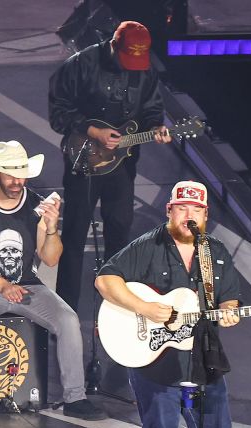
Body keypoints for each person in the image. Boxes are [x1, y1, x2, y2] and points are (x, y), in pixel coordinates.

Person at [95, 181, 250, 428]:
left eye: (196, 210)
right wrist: (144, 307)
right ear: (169, 211)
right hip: (157, 365)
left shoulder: (217, 253)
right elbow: (106, 281)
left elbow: (229, 299)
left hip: (205, 362)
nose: (189, 216)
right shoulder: (149, 246)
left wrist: (229, 312)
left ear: (206, 215)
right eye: (182, 209)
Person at [0, 140, 106, 422]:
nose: (17, 181)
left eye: (21, 174)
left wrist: (51, 228)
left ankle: (75, 397)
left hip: (27, 286)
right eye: (10, 174)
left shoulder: (35, 204)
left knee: (68, 320)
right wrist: (2, 285)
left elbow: (50, 258)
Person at [48, 20, 171, 311]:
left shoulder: (145, 71)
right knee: (75, 235)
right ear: (113, 45)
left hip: (123, 166)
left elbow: (152, 108)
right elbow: (58, 112)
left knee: (119, 231)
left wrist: (156, 127)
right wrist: (92, 130)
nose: (132, 66)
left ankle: (117, 306)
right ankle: (66, 309)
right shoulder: (80, 65)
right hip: (85, 162)